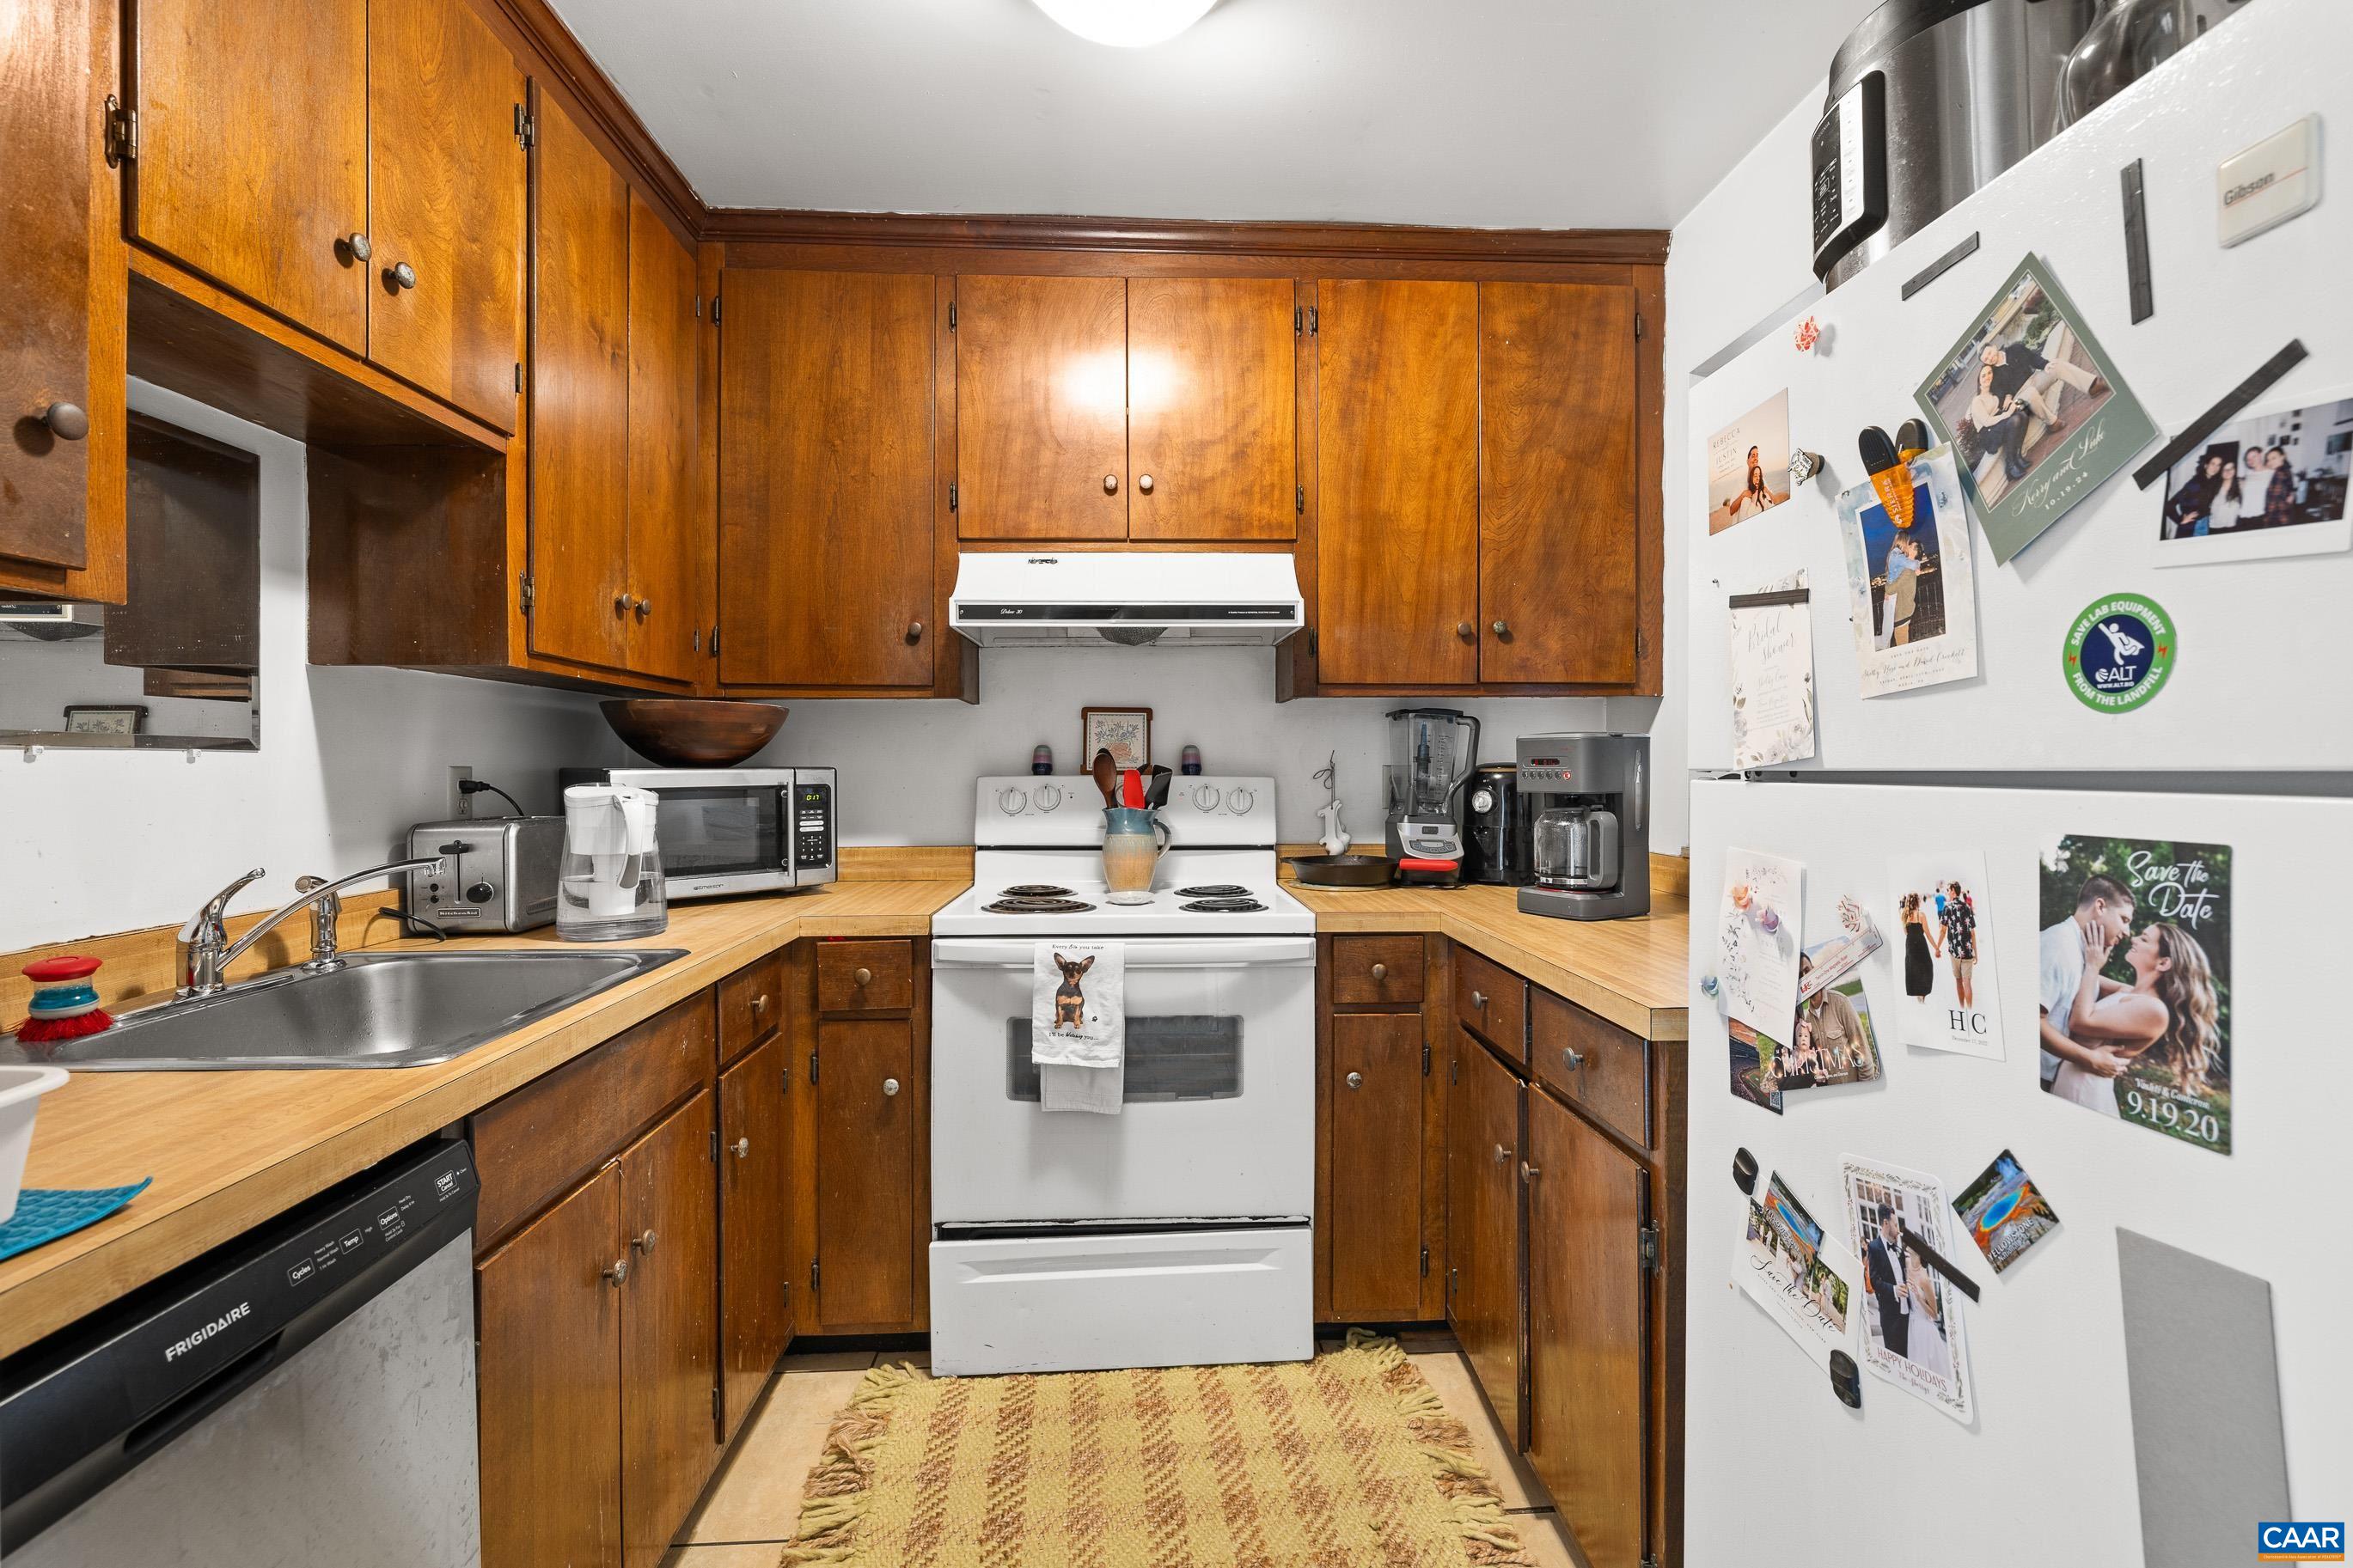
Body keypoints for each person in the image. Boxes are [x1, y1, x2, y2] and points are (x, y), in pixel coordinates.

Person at [2051, 920, 2222, 1116]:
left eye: (2144, 939)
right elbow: (2074, 975)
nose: (2134, 939)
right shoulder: (2129, 992)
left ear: (2163, 963)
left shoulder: (2154, 1010)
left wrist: (2093, 965)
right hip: (2070, 1085)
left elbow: (2080, 1022)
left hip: (2086, 1095)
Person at [2040, 873, 2136, 1090]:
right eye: (2124, 919)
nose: (2127, 932)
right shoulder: (2058, 945)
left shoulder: (2076, 947)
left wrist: (2132, 992)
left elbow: (2072, 979)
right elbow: (2032, 1021)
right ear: (2100, 906)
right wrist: (2090, 1058)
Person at [1983, 335, 2100, 429]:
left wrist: (2045, 364)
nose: (1990, 358)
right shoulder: (1992, 374)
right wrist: (2007, 397)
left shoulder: (2015, 349)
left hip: (2034, 380)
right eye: (1986, 359)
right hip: (2018, 399)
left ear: (1994, 347)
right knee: (2031, 393)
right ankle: (2052, 424)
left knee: (2057, 365)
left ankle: (2091, 386)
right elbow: (1999, 394)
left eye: (1989, 353)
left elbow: (2033, 358)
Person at [1968, 362, 2035, 481]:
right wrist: (2008, 414)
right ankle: (2010, 465)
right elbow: (1987, 422)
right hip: (1987, 433)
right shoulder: (1977, 401)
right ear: (1979, 380)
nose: (1987, 377)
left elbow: (1999, 412)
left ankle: (2018, 456)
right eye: (1983, 375)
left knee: (2023, 415)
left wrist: (2011, 405)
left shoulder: (1993, 395)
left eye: (1989, 373)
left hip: (1996, 424)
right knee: (2014, 420)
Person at [1865, 1205, 1912, 1358]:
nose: (1898, 1230)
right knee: (1895, 1358)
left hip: (1906, 1313)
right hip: (1890, 1317)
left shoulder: (1898, 1249)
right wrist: (1894, 1290)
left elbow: (1903, 1276)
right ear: (1886, 1223)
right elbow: (1874, 1281)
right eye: (1896, 1225)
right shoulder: (1874, 1247)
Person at [1901, 1249, 1954, 1382]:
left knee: (1926, 1371)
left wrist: (1919, 1299)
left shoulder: (1924, 1279)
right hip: (1911, 1325)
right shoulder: (1907, 1264)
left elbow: (1935, 1315)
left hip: (1924, 1329)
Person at [1939, 880, 1978, 1010]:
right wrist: (1976, 953)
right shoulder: (1967, 907)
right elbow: (1973, 933)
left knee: (1958, 980)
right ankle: (1970, 1009)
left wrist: (1937, 947)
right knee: (1967, 983)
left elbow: (1943, 930)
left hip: (1955, 951)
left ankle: (1962, 1008)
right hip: (1967, 951)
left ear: (1953, 891)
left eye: (1948, 890)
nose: (1947, 892)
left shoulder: (1947, 907)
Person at [1901, 892, 1934, 1001]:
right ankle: (1922, 996)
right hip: (1921, 943)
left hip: (1910, 943)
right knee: (1926, 966)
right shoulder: (1921, 915)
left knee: (1913, 967)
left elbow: (1906, 932)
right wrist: (1936, 947)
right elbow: (1928, 934)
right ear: (1917, 902)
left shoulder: (1904, 914)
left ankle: (1917, 996)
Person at [2205, 456, 2245, 533]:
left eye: (2231, 468)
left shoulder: (2241, 485)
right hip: (2214, 527)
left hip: (2232, 528)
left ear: (2235, 470)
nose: (2228, 471)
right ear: (2220, 472)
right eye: (2225, 469)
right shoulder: (2214, 486)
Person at [2262, 446, 2298, 528]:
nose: (2271, 462)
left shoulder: (2280, 473)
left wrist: (2267, 520)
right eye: (2269, 460)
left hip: (2278, 518)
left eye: (2274, 458)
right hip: (2286, 516)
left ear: (2283, 456)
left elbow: (2274, 499)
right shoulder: (2287, 470)